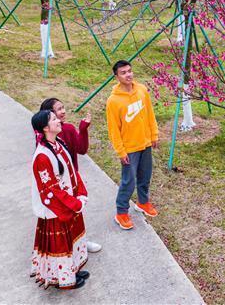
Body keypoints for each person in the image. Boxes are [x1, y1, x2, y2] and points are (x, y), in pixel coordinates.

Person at [30, 110, 90, 290]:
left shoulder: (58, 144)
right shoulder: (42, 156)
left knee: (73, 237)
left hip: (70, 202)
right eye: (54, 119)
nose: (58, 120)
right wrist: (73, 204)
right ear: (46, 128)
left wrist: (80, 193)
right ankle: (61, 278)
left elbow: (72, 170)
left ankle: (73, 268)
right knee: (61, 244)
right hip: (58, 209)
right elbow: (50, 190)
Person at [39, 98, 102, 253]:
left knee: (76, 215)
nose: (63, 112)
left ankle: (80, 242)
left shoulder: (68, 129)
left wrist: (83, 129)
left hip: (72, 180)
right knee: (61, 218)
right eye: (58, 110)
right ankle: (64, 248)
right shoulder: (44, 141)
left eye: (63, 107)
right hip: (59, 185)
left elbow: (81, 149)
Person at [106, 60, 159, 230]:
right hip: (129, 149)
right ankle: (121, 212)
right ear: (116, 76)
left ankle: (143, 202)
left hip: (145, 144)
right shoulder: (113, 101)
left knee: (145, 176)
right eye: (123, 72)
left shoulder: (142, 90)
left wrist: (154, 134)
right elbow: (113, 130)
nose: (128, 74)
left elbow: (150, 114)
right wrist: (121, 152)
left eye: (129, 71)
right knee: (128, 181)